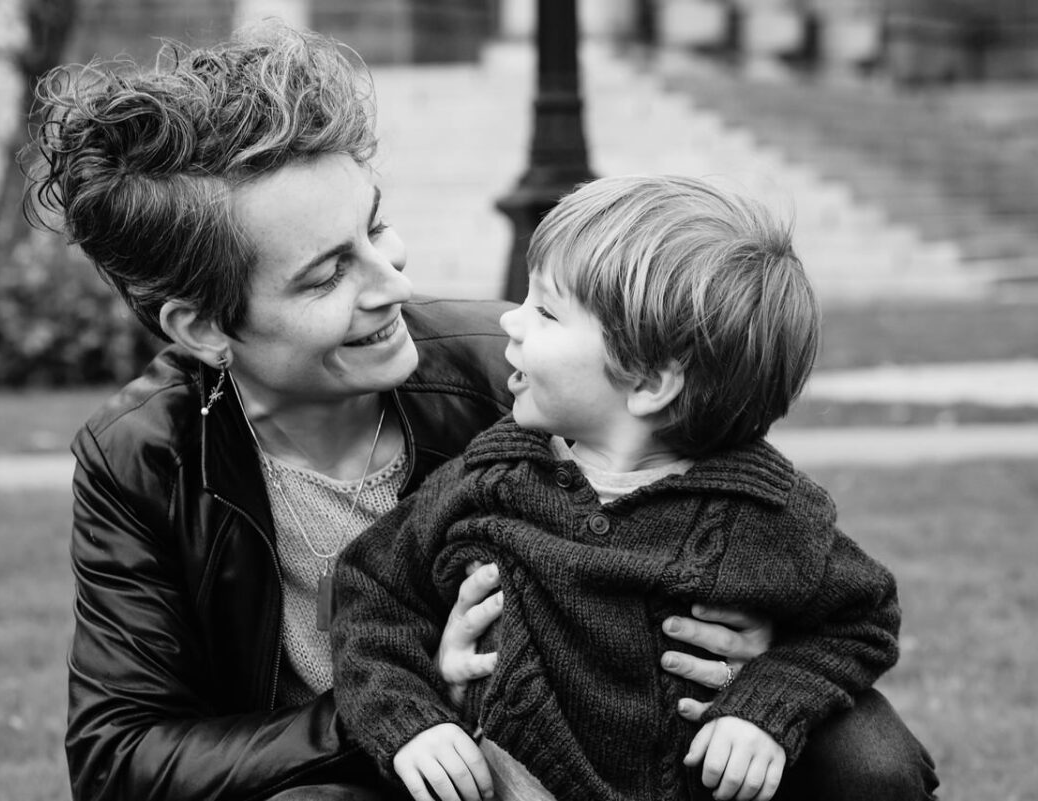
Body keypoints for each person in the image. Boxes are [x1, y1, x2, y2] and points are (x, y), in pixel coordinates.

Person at [22, 20, 937, 801]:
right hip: (389, 769)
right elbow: (119, 753)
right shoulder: (145, 454)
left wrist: (765, 644)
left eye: (374, 227)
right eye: (328, 271)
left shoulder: (509, 374)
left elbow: (709, 474)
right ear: (204, 325)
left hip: (643, 730)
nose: (395, 282)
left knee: (870, 756)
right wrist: (400, 708)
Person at [332, 175, 926, 801]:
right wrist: (411, 723)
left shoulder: (767, 511)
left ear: (648, 381)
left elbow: (861, 620)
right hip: (513, 781)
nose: (510, 320)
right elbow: (369, 591)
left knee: (876, 764)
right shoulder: (491, 480)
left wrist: (768, 705)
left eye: (546, 310)